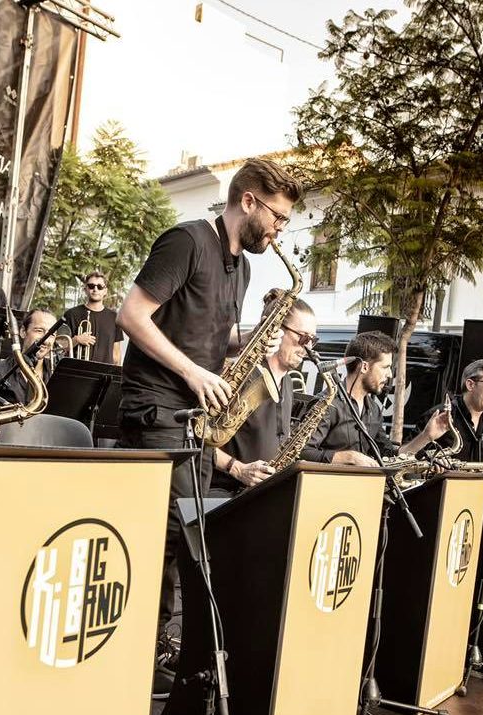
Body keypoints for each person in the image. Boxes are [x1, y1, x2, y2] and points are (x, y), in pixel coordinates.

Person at [115, 157, 300, 648]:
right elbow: (131, 316)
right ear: (248, 201)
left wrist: (248, 340)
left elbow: (205, 334)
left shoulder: (241, 267)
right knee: (163, 536)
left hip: (196, 419)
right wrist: (192, 372)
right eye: (278, 217)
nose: (280, 230)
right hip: (156, 409)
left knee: (185, 536)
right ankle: (139, 648)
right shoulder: (188, 241)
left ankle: (158, 643)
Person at [208, 296, 315, 497]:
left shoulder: (288, 383)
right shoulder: (240, 376)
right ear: (276, 330)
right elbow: (198, 437)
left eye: (313, 340)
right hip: (224, 495)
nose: (308, 348)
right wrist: (237, 468)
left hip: (261, 496)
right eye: (303, 338)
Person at [301, 331, 400, 465]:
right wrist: (349, 457)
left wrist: (424, 436)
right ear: (364, 367)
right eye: (385, 367)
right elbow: (302, 452)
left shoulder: (374, 409)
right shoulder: (327, 404)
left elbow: (388, 453)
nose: (389, 375)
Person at [0, 309, 57, 409]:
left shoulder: (57, 373)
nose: (46, 340)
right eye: (39, 331)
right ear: (23, 332)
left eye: (52, 334)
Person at [62, 270, 125, 365]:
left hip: (104, 372)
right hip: (77, 370)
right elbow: (60, 348)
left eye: (100, 287)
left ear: (105, 291)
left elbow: (116, 354)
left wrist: (117, 372)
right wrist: (76, 340)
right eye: (91, 286)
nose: (95, 289)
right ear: (85, 289)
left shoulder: (114, 317)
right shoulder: (71, 314)